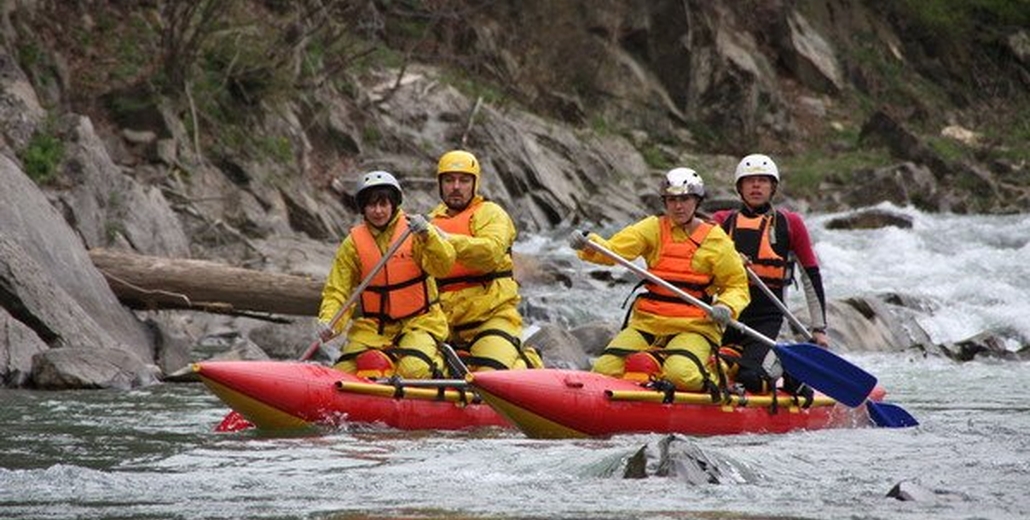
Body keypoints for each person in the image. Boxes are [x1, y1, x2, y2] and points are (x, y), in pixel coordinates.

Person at [569, 167, 749, 393]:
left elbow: (736, 285)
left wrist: (726, 305)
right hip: (649, 322)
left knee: (681, 374)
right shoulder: (652, 228)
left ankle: (718, 370)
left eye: (684, 199)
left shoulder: (716, 240)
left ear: (697, 201)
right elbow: (614, 250)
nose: (678, 206)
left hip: (693, 326)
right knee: (604, 369)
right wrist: (589, 244)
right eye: (672, 200)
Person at [317, 170, 456, 380]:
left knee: (413, 371)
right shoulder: (352, 245)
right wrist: (329, 321)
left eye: (384, 204)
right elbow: (338, 290)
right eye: (372, 205)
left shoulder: (416, 232)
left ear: (394, 204)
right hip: (375, 327)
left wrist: (428, 235)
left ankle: (443, 365)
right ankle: (380, 382)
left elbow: (443, 265)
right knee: (341, 375)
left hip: (419, 322)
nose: (378, 211)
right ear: (363, 208)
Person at [710, 153, 830, 396]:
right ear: (739, 188)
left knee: (750, 377)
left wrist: (819, 329)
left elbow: (810, 276)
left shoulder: (790, 223)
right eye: (750, 181)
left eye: (763, 181)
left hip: (767, 319)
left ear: (772, 187)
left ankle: (790, 372)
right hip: (728, 317)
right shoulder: (722, 222)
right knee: (708, 367)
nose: (756, 186)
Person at [428, 150, 542, 371]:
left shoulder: (491, 214)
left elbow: (490, 253)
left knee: (492, 373)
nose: (456, 187)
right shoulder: (429, 223)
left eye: (464, 180)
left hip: (491, 318)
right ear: (440, 184)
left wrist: (448, 240)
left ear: (475, 184)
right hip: (445, 324)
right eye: (449, 180)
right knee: (421, 369)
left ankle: (528, 362)